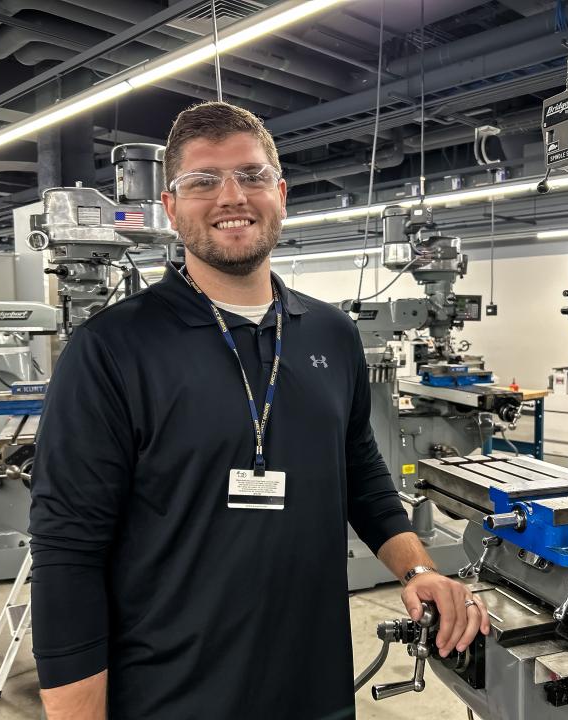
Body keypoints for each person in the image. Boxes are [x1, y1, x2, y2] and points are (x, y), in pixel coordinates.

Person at [29, 101, 489, 720]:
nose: (230, 196)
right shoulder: (112, 349)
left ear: (281, 193)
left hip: (315, 687)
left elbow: (361, 475)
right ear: (170, 206)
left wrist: (417, 571)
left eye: (250, 176)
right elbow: (67, 554)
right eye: (202, 180)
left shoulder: (331, 333)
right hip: (171, 696)